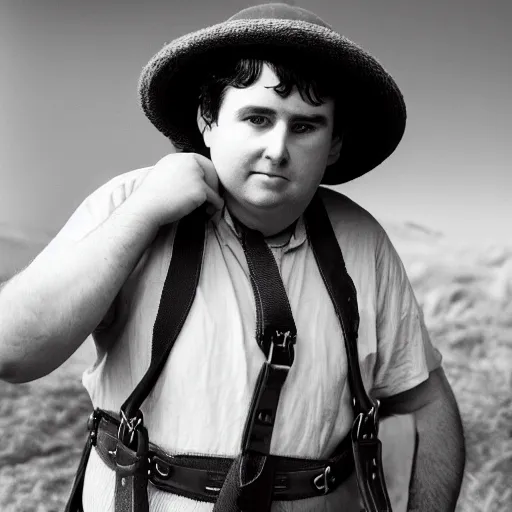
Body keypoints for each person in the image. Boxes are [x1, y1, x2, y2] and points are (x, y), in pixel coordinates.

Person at [0, 3, 465, 511]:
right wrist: (145, 213)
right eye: (257, 118)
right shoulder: (130, 202)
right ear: (208, 121)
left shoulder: (363, 243)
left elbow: (425, 403)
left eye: (306, 127)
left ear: (333, 146)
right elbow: (14, 351)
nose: (278, 149)